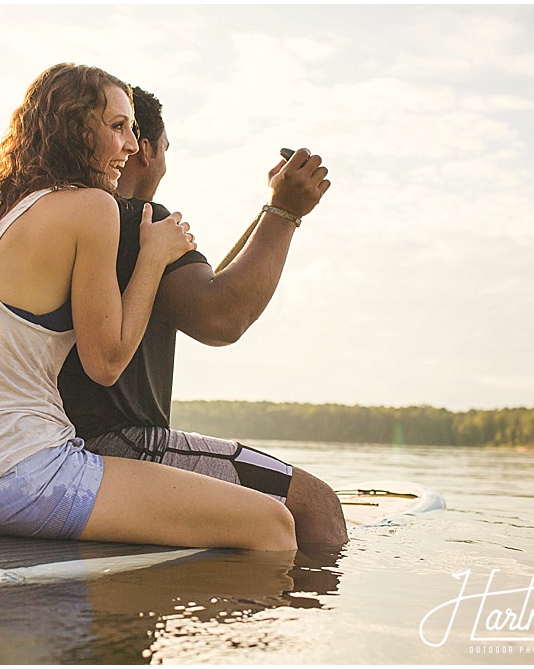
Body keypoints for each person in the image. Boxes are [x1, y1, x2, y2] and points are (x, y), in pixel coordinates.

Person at [0, 63, 299, 552]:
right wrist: (153, 257)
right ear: (73, 127)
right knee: (273, 526)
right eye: (117, 127)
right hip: (14, 470)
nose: (132, 146)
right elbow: (106, 363)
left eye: (133, 130)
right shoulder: (92, 208)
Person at [58, 86, 348, 547]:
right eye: (165, 149)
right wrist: (286, 213)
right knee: (316, 508)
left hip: (53, 447)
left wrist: (270, 210)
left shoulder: (67, 217)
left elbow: (203, 290)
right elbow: (219, 317)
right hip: (117, 445)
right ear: (144, 148)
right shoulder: (140, 220)